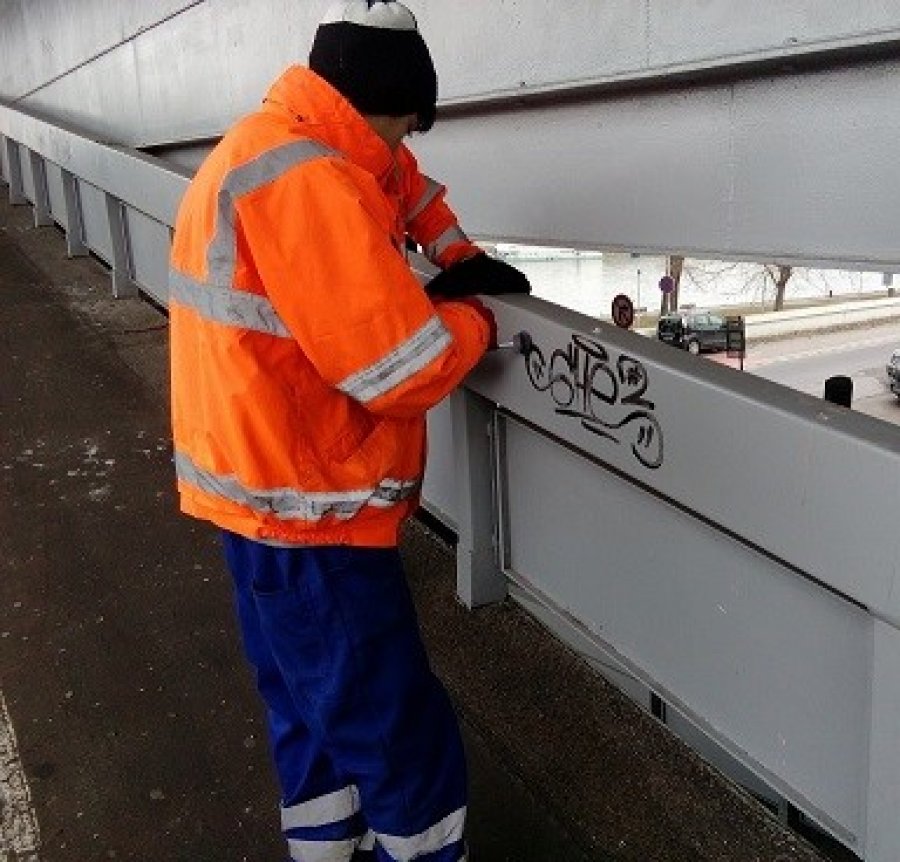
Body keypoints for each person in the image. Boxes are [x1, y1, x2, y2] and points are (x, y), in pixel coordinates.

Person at [168, 2, 530, 860]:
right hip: (313, 513)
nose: (410, 140)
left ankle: (329, 851)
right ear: (383, 98)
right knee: (396, 727)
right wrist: (473, 316)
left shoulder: (283, 141)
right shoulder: (311, 185)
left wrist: (454, 251)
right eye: (408, 120)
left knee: (310, 713)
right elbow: (404, 371)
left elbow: (408, 188)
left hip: (255, 498)